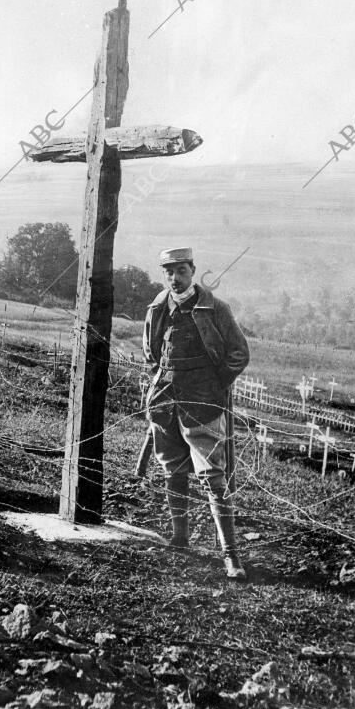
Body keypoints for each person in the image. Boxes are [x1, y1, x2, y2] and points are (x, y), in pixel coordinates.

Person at [142, 247, 250, 580]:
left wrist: (214, 384)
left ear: (192, 270)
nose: (175, 278)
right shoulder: (158, 307)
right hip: (165, 401)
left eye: (181, 271)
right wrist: (162, 381)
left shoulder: (215, 308)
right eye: (168, 272)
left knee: (213, 478)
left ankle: (231, 555)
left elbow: (238, 353)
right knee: (171, 467)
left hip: (202, 402)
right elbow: (150, 353)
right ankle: (180, 538)